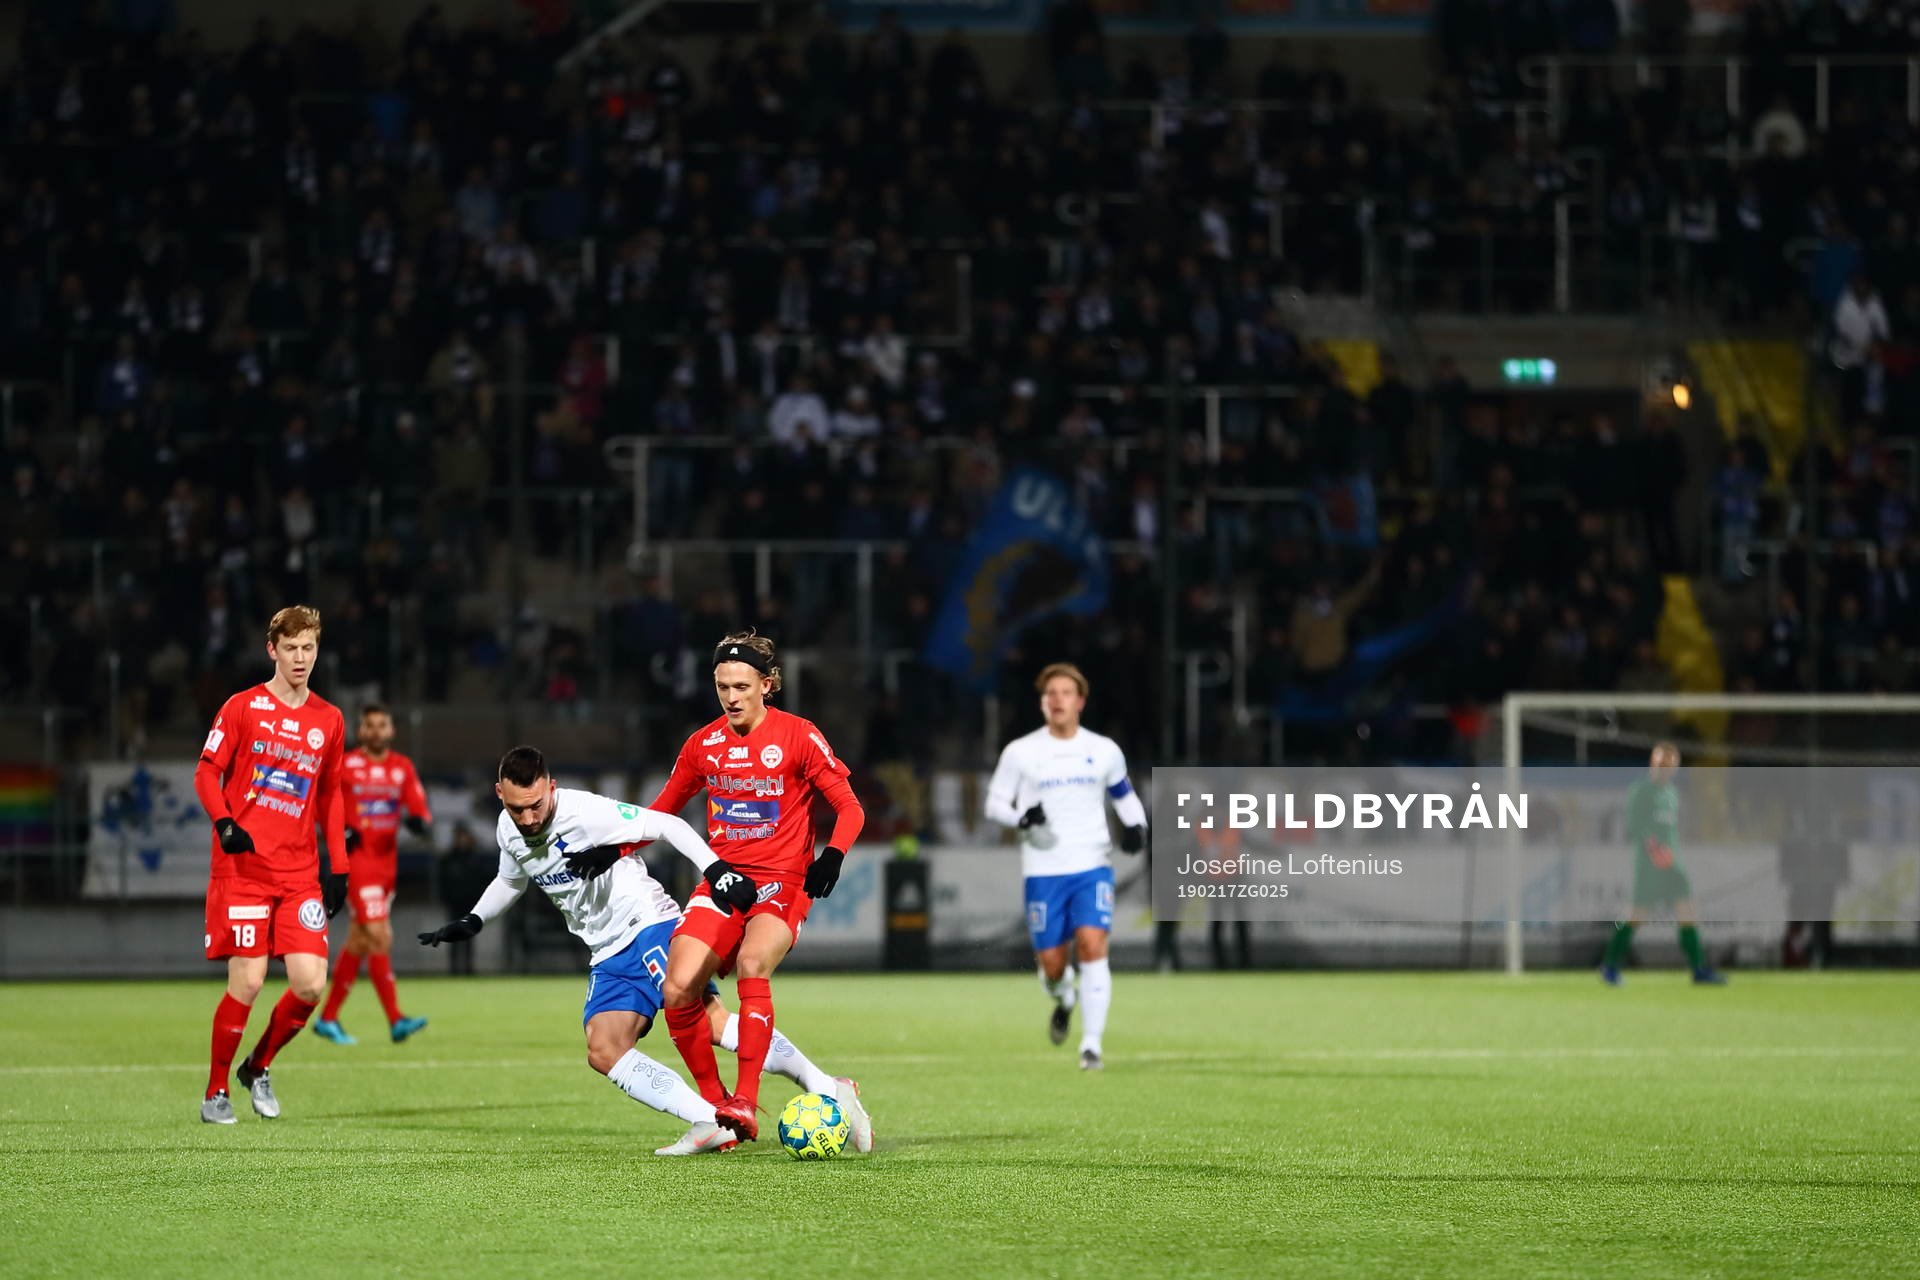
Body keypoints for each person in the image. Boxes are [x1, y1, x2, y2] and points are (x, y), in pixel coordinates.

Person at [418, 745, 870, 1155]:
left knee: (711, 1024)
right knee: (604, 1049)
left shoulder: (585, 812)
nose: (531, 818)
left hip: (646, 924)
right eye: (519, 808)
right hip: (606, 950)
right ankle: (709, 1120)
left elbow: (668, 824)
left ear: (551, 787)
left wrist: (716, 871)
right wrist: (473, 919)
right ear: (500, 794)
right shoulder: (507, 828)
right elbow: (510, 879)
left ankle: (825, 1085)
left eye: (537, 805)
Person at [590, 630, 864, 1143]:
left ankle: (745, 1097)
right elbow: (662, 811)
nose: (732, 697)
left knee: (751, 965)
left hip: (782, 881)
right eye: (722, 687)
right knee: (677, 988)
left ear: (767, 684)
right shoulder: (704, 745)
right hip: (725, 878)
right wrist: (616, 848)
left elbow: (850, 807)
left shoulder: (800, 736)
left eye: (741, 686)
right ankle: (717, 1108)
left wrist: (832, 855)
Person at [192, 604, 350, 1124]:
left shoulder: (328, 719)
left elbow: (330, 796)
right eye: (291, 649)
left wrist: (340, 866)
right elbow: (206, 773)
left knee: (309, 985)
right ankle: (217, 1092)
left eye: (309, 649)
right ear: (272, 650)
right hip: (245, 872)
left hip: (300, 874)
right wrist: (224, 824)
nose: (301, 659)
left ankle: (257, 1065)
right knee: (250, 981)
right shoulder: (242, 707)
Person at [984, 662, 1147, 1070]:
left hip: (1091, 863)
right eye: (1049, 693)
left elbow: (1123, 794)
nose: (1057, 699)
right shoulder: (1021, 752)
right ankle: (1065, 997)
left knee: (1093, 945)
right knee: (1053, 965)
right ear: (1041, 702)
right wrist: (1021, 817)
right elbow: (994, 804)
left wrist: (1136, 826)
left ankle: (1091, 1046)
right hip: (1043, 869)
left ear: (1081, 701)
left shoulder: (1103, 750)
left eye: (1065, 693)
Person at [313, 704, 432, 1046]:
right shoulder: (346, 765)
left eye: (383, 724)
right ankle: (396, 1020)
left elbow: (420, 811)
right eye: (371, 725)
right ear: (361, 731)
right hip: (358, 864)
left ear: (391, 731)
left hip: (386, 866)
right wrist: (338, 831)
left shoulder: (402, 768)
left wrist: (418, 823)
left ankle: (328, 1018)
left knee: (361, 941)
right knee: (379, 936)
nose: (377, 731)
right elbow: (322, 802)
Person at [1599, 742, 1727, 986]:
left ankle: (1699, 969)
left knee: (1688, 912)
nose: (1662, 768)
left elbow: (1670, 830)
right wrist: (1655, 850)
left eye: (1667, 764)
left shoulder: (1672, 794)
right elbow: (1635, 826)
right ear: (1652, 763)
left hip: (1673, 865)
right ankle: (1610, 966)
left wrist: (1672, 855)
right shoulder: (1641, 791)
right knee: (1635, 916)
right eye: (1659, 763)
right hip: (1649, 866)